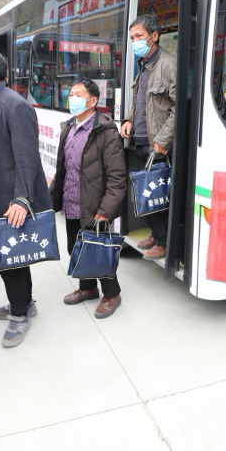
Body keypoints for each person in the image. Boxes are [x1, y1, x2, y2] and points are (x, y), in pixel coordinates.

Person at [0, 50, 51, 347]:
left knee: (10, 257)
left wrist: (21, 199)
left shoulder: (14, 105)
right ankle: (24, 302)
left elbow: (27, 157)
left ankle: (19, 314)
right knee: (14, 254)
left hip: (10, 198)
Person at [50, 78, 126, 318]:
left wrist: (106, 210)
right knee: (76, 248)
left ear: (92, 101)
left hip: (95, 207)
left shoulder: (106, 132)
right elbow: (63, 168)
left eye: (78, 95)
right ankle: (88, 287)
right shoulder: (69, 127)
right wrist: (53, 196)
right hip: (72, 202)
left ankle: (112, 294)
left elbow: (117, 177)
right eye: (71, 94)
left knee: (98, 253)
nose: (72, 98)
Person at [120, 14, 175, 261]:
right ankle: (155, 233)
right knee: (148, 192)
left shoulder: (168, 64)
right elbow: (139, 102)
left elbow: (177, 109)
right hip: (141, 140)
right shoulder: (143, 65)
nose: (135, 42)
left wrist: (164, 139)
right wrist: (129, 120)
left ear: (154, 36)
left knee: (159, 192)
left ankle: (163, 242)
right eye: (132, 38)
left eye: (139, 36)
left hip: (158, 143)